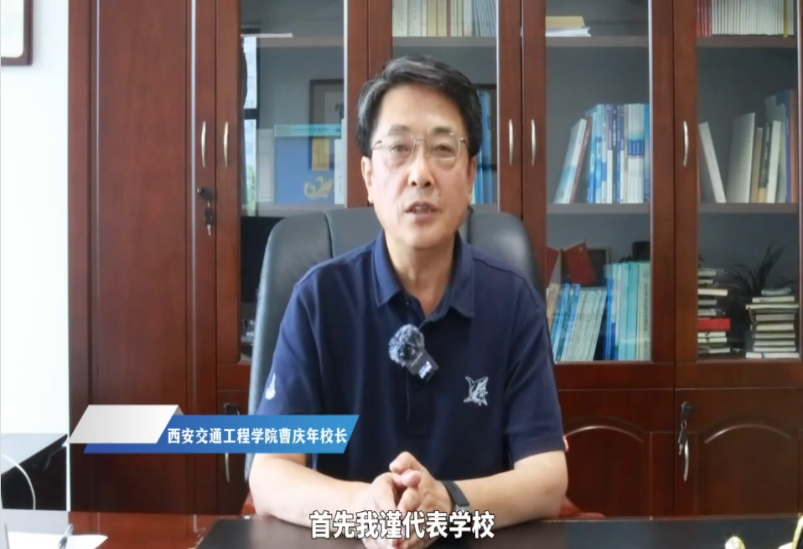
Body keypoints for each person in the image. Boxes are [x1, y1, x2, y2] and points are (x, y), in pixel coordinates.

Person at [248, 55, 568, 546]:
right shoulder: (319, 299)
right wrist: (363, 510)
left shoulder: (512, 301)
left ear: (471, 176)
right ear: (368, 177)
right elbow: (269, 473)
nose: (420, 173)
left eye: (442, 149)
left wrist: (449, 503)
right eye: (398, 148)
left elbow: (547, 476)